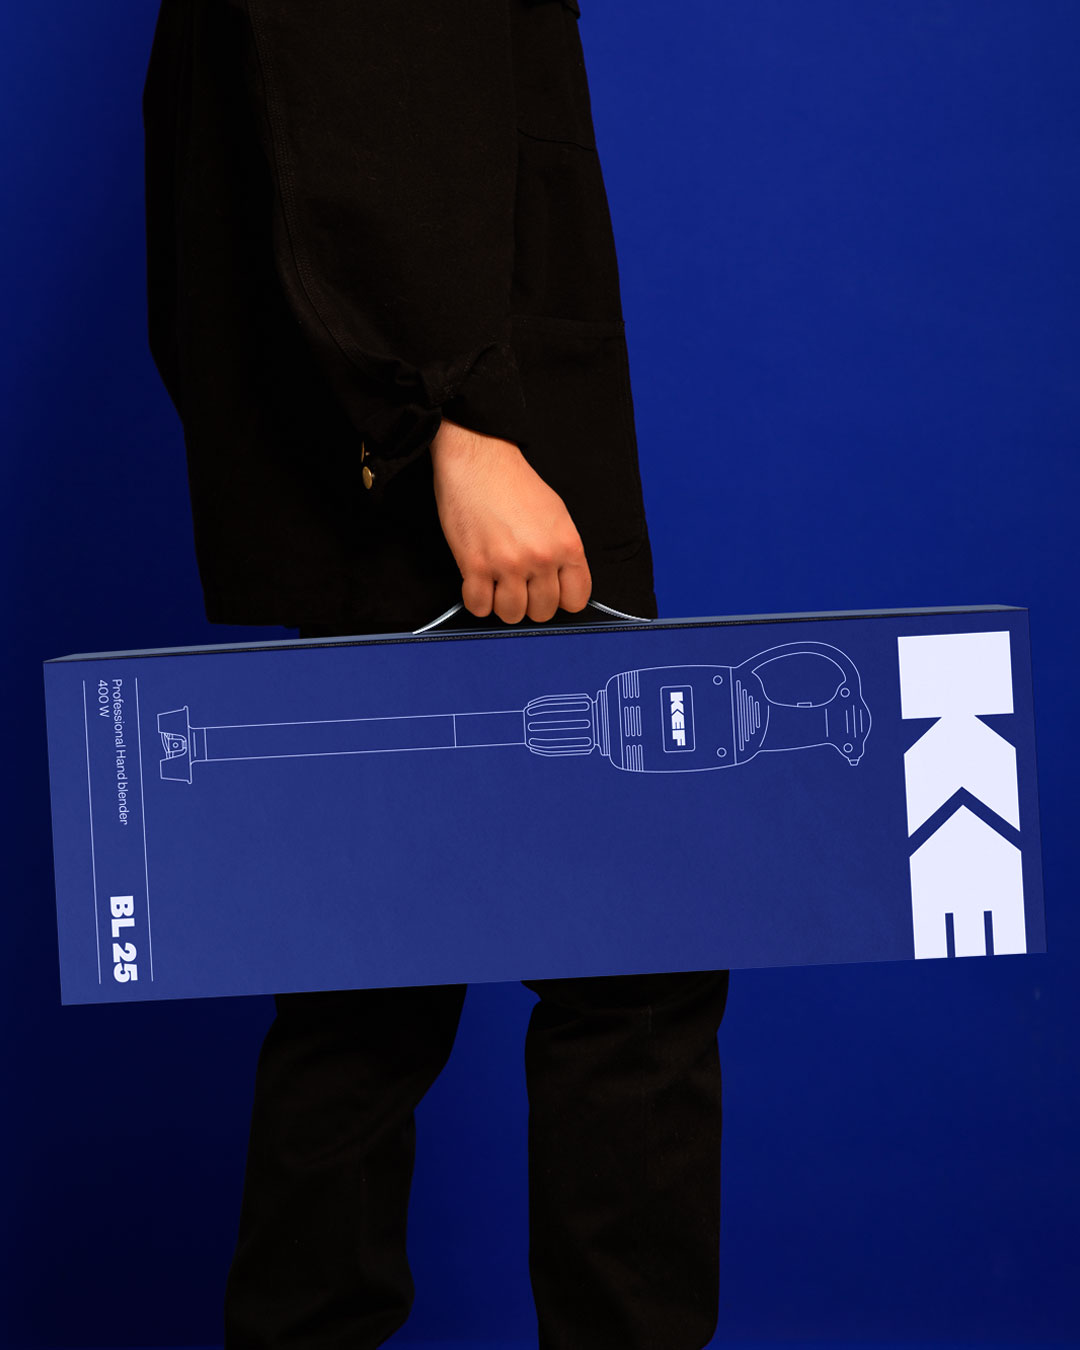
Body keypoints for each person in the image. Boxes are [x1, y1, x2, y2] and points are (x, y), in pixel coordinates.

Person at [142, 2, 730, 1346]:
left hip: (393, 421)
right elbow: (364, 58)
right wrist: (453, 417)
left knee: (372, 979)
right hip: (453, 444)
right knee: (628, 960)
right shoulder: (452, 418)